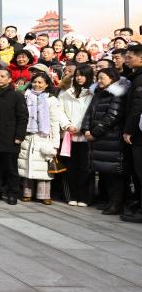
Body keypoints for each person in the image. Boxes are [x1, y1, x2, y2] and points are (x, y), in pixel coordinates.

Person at [83, 68, 130, 215]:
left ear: (112, 78)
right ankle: (110, 201)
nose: (99, 81)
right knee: (106, 173)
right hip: (101, 140)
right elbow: (89, 113)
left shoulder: (117, 94)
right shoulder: (99, 94)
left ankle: (117, 204)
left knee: (115, 173)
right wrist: (86, 129)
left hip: (112, 139)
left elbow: (112, 116)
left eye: (102, 78)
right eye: (98, 78)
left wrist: (95, 132)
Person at [0, 68, 28, 205]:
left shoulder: (17, 95)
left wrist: (19, 136)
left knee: (11, 168)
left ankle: (12, 193)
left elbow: (23, 117)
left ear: (9, 79)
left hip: (10, 138)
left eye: (2, 76)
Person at [18, 73, 65, 204]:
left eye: (40, 83)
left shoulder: (51, 100)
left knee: (44, 168)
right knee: (26, 164)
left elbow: (55, 122)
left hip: (44, 136)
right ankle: (27, 192)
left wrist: (55, 144)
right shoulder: (25, 97)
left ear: (46, 84)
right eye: (35, 82)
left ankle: (44, 195)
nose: (37, 85)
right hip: (28, 135)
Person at [58, 65, 93, 206]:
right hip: (69, 136)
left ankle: (85, 197)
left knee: (85, 167)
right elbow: (59, 111)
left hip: (86, 136)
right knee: (70, 167)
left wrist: (83, 128)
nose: (79, 77)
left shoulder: (93, 94)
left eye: (83, 75)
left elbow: (93, 113)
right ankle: (72, 195)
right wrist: (67, 125)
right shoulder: (66, 94)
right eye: (77, 74)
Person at [122, 44, 142, 223]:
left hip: (138, 133)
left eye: (129, 57)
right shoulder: (134, 76)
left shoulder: (139, 79)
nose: (126, 60)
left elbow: (137, 107)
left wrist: (129, 130)